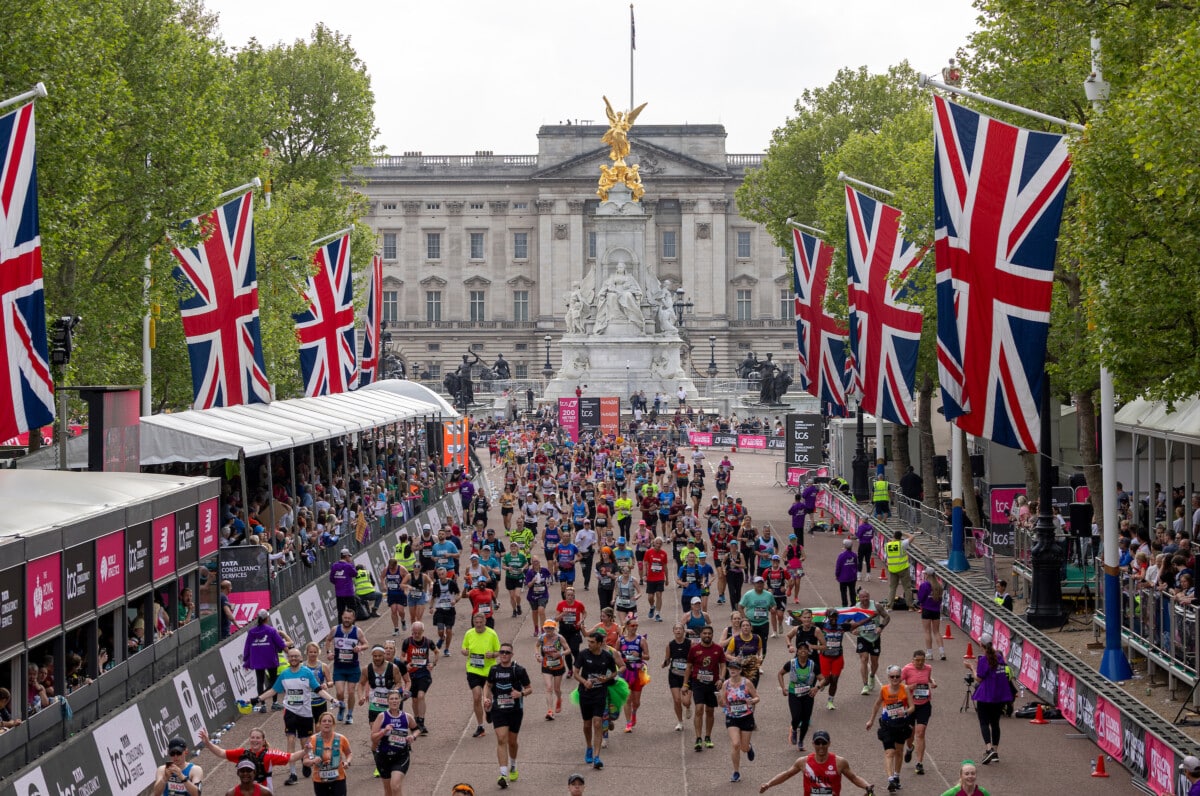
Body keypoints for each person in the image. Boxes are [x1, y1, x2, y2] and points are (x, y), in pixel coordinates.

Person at [269, 647, 334, 785]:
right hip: (290, 711)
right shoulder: (285, 674)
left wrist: (332, 700)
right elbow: (273, 690)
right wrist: (256, 699)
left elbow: (318, 689)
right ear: (288, 658)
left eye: (296, 656)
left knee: (304, 742)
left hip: (305, 712)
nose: (293, 658)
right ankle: (292, 773)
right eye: (291, 656)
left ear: (300, 658)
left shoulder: (307, 672)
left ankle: (305, 761)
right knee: (291, 739)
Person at [758, 730, 874, 794]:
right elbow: (787, 774)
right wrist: (769, 784)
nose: (821, 746)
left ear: (829, 744)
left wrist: (867, 786)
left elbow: (854, 778)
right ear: (813, 744)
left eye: (823, 743)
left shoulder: (839, 762)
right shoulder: (804, 762)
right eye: (818, 743)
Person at [482, 641, 532, 789]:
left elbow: (530, 688)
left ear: (512, 655)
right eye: (502, 652)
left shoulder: (519, 670)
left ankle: (513, 765)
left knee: (512, 741)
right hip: (499, 709)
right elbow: (488, 685)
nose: (504, 655)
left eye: (507, 652)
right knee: (501, 739)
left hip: (515, 711)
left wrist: (521, 693)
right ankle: (503, 774)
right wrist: (486, 698)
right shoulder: (494, 669)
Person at [573, 629, 624, 770]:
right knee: (587, 725)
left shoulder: (607, 656)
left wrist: (607, 678)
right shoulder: (583, 654)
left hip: (600, 694)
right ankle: (589, 747)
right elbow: (575, 673)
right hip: (585, 693)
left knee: (597, 723)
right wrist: (584, 682)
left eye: (592, 642)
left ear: (600, 643)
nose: (589, 644)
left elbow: (614, 671)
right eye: (588, 641)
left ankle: (596, 757)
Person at [199, 727, 302, 791]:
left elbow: (291, 757)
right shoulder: (242, 753)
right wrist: (208, 743)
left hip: (265, 793)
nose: (255, 740)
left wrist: (305, 750)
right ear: (249, 739)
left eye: (258, 738)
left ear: (263, 740)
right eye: (253, 737)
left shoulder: (270, 754)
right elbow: (221, 753)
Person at [965, 634, 1013, 765]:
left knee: (984, 722)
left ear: (981, 644)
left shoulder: (983, 660)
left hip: (986, 695)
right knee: (995, 723)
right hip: (999, 696)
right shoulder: (999, 657)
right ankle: (996, 752)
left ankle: (988, 748)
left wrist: (972, 668)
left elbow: (979, 678)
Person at [866, 664, 913, 792]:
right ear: (888, 677)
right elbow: (876, 705)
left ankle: (897, 776)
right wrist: (871, 720)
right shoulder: (884, 690)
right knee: (889, 752)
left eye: (897, 676)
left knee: (899, 751)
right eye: (892, 676)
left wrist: (905, 712)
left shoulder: (905, 689)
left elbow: (912, 707)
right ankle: (890, 779)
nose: (895, 679)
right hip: (887, 725)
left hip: (901, 725)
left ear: (900, 677)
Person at [683, 624, 726, 752]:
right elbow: (689, 667)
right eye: (705, 633)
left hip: (712, 684)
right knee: (699, 709)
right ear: (701, 635)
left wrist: (721, 679)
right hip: (698, 683)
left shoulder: (718, 649)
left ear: (712, 635)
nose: (707, 635)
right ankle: (698, 738)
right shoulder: (694, 649)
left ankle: (707, 736)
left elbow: (723, 665)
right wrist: (685, 684)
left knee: (710, 711)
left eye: (709, 634)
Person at [369, 689, 419, 796]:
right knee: (388, 791)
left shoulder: (407, 717)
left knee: (395, 786)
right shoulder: (382, 717)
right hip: (383, 756)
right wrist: (384, 731)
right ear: (387, 701)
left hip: (401, 756)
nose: (394, 701)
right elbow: (373, 738)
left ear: (400, 700)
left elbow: (417, 729)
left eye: (396, 698)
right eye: (391, 699)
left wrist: (413, 736)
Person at [719, 659, 760, 783]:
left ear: (740, 670)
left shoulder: (747, 683)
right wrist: (719, 698)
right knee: (735, 744)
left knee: (744, 748)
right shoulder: (725, 684)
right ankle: (736, 772)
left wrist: (752, 701)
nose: (732, 670)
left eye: (735, 668)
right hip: (732, 717)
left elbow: (757, 697)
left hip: (746, 716)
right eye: (731, 668)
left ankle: (748, 747)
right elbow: (722, 704)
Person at [462, 612, 502, 738]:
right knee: (477, 697)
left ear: (485, 622)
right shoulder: (469, 633)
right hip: (473, 669)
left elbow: (499, 651)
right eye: (476, 623)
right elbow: (464, 649)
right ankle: (480, 726)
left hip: (488, 670)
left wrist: (493, 655)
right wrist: (464, 651)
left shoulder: (492, 634)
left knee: (487, 699)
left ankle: (489, 711)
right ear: (474, 623)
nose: (478, 625)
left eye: (480, 622)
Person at [778, 643, 825, 751]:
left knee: (805, 720)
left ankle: (801, 741)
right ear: (797, 651)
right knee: (796, 717)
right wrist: (783, 688)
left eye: (805, 649)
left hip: (808, 695)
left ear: (809, 652)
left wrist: (817, 688)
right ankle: (794, 729)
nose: (803, 651)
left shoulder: (813, 665)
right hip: (794, 694)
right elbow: (780, 673)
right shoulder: (791, 663)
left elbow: (822, 679)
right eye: (800, 649)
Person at [324, 608, 367, 725]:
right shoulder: (335, 629)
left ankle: (350, 714)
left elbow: (366, 644)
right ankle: (342, 707)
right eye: (345, 618)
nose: (347, 620)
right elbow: (328, 640)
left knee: (351, 692)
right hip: (339, 667)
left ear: (353, 619)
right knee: (340, 692)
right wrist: (328, 653)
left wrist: (360, 648)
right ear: (342, 617)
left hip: (353, 667)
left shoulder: (357, 631)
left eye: (349, 618)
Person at [243, 609, 291, 711]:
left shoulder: (251, 632)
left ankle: (263, 705)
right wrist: (288, 647)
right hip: (270, 658)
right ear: (267, 618)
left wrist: (246, 661)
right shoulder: (271, 630)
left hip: (257, 659)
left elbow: (247, 647)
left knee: (259, 681)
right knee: (273, 680)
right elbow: (281, 644)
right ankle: (274, 703)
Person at [900, 649, 936, 776]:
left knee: (920, 733)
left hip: (924, 705)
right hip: (910, 705)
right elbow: (895, 684)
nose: (920, 663)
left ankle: (919, 763)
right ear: (912, 660)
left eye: (922, 660)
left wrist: (933, 683)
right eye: (917, 660)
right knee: (910, 734)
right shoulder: (906, 669)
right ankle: (910, 748)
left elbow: (929, 678)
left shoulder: (928, 668)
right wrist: (907, 687)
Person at [400, 621, 438, 735]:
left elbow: (437, 652)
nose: (416, 635)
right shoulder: (407, 642)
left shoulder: (428, 642)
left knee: (421, 696)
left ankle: (421, 721)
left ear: (423, 632)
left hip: (424, 674)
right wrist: (405, 664)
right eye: (414, 633)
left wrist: (433, 663)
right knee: (415, 699)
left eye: (418, 633)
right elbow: (402, 655)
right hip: (412, 675)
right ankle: (416, 720)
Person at [303, 711, 353, 795]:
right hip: (319, 780)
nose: (327, 723)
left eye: (329, 721)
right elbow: (305, 761)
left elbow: (349, 753)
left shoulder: (341, 738)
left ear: (333, 724)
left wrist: (347, 762)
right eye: (324, 721)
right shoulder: (312, 740)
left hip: (338, 779)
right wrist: (312, 761)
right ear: (319, 724)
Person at [849, 590, 888, 695]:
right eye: (862, 597)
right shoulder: (855, 608)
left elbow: (887, 617)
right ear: (859, 598)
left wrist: (881, 627)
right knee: (864, 659)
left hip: (875, 638)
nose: (865, 599)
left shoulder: (876, 606)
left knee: (874, 662)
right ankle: (865, 685)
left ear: (869, 596)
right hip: (863, 637)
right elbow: (846, 622)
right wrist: (852, 631)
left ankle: (872, 676)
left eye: (866, 597)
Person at [616, 617, 649, 732]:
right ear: (627, 626)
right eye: (632, 626)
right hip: (625, 673)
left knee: (636, 701)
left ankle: (634, 712)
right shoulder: (621, 640)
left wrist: (638, 656)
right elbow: (615, 655)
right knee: (627, 699)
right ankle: (628, 723)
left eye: (636, 626)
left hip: (637, 673)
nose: (635, 628)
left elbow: (648, 656)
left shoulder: (641, 640)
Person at [536, 619, 571, 719]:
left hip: (558, 666)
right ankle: (550, 711)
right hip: (546, 665)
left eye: (551, 628)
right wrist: (537, 655)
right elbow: (536, 646)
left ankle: (559, 698)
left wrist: (560, 654)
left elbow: (568, 650)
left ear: (554, 628)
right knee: (548, 688)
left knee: (556, 689)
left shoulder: (559, 638)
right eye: (546, 628)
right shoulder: (542, 638)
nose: (548, 630)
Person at [663, 622, 693, 732]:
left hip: (687, 675)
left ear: (684, 631)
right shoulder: (670, 645)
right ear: (673, 631)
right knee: (677, 700)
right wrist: (664, 663)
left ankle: (688, 707)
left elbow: (694, 659)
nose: (678, 630)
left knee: (685, 701)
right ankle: (680, 722)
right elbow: (667, 659)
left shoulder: (690, 643)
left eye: (680, 629)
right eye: (676, 629)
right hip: (674, 675)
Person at [739, 576, 775, 654]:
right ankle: (751, 662)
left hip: (764, 623)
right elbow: (740, 607)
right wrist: (745, 619)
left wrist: (773, 609)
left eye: (761, 583)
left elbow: (773, 605)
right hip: (751, 624)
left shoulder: (769, 595)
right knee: (750, 645)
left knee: (763, 645)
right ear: (754, 584)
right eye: (757, 583)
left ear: (763, 584)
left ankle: (760, 663)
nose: (759, 585)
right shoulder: (748, 594)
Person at [430, 567, 461, 653]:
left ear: (446, 574)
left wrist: (455, 600)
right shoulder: (436, 584)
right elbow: (433, 597)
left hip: (450, 610)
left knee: (448, 630)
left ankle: (446, 649)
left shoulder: (452, 583)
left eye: (442, 574)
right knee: (440, 630)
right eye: (439, 575)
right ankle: (442, 637)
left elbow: (459, 594)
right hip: (440, 609)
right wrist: (431, 607)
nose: (441, 576)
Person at [917, 571, 946, 660]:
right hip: (936, 610)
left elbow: (920, 598)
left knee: (927, 631)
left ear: (927, 575)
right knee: (937, 632)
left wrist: (920, 603)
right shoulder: (939, 585)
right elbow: (941, 599)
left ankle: (929, 653)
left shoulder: (924, 585)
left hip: (926, 609)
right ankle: (942, 652)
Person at [884, 530, 915, 608]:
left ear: (893, 536)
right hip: (903, 568)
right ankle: (910, 606)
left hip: (892, 569)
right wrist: (904, 533)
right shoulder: (902, 544)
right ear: (901, 537)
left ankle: (889, 605)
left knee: (892, 588)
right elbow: (912, 537)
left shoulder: (887, 545)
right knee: (907, 588)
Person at [643, 536, 670, 620]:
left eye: (660, 544)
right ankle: (652, 607)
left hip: (660, 577)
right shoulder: (648, 552)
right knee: (650, 597)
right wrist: (644, 575)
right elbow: (645, 564)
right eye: (657, 543)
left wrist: (667, 578)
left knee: (659, 594)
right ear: (654, 543)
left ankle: (657, 614)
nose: (658, 545)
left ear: (662, 545)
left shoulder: (664, 554)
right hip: (650, 578)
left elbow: (665, 566)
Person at [382, 557, 410, 635]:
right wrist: (384, 585)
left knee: (400, 611)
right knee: (394, 610)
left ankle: (403, 620)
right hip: (391, 593)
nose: (392, 569)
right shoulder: (386, 569)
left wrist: (404, 586)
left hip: (400, 593)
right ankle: (396, 629)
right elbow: (382, 577)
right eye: (390, 568)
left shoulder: (401, 569)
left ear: (396, 565)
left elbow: (408, 577)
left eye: (393, 568)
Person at [330, 549, 358, 617]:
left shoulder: (334, 565)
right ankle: (352, 626)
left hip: (339, 593)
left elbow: (332, 579)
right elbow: (355, 574)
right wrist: (351, 564)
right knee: (352, 611)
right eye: (349, 556)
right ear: (346, 556)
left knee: (340, 612)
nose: (350, 558)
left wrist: (338, 584)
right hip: (348, 592)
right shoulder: (348, 566)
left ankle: (341, 626)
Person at [835, 538, 859, 607]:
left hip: (843, 578)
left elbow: (838, 567)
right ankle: (853, 604)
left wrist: (837, 575)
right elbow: (856, 565)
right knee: (852, 591)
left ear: (845, 546)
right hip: (852, 577)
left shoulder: (841, 556)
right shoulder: (854, 555)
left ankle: (844, 605)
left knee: (843, 592)